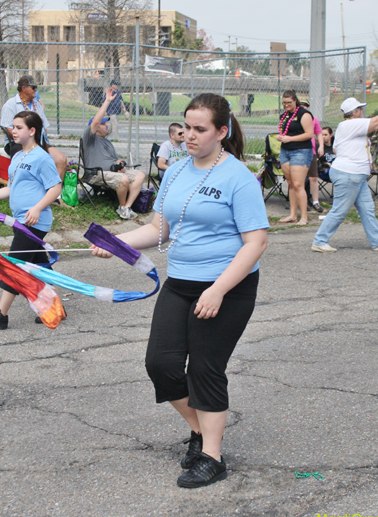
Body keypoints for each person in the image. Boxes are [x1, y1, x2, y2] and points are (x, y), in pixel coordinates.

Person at [91, 93, 269, 489]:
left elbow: (256, 242)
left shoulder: (238, 177)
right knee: (161, 364)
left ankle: (212, 458)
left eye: (199, 129)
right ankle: (201, 431)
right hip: (181, 282)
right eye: (186, 127)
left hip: (227, 287)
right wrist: (115, 243)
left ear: (221, 131)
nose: (189, 135)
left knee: (205, 368)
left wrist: (218, 290)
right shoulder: (175, 172)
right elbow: (159, 230)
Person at [0, 111, 63, 329]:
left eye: (19, 127)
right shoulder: (18, 156)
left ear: (32, 130)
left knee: (14, 264)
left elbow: (56, 188)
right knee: (39, 264)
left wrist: (37, 208)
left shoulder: (42, 157)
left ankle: (0, 314)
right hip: (19, 220)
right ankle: (56, 308)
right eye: (13, 127)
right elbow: (10, 189)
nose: (14, 131)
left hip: (34, 221)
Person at [311, 97, 378, 253]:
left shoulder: (347, 126)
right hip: (349, 174)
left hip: (355, 176)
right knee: (340, 211)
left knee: (367, 209)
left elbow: (335, 149)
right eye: (360, 109)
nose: (362, 111)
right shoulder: (351, 124)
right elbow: (376, 122)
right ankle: (319, 241)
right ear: (354, 112)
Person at [82, 87, 146, 220]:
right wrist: (107, 101)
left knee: (140, 175)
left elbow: (116, 159)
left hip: (113, 173)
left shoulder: (107, 142)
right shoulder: (89, 138)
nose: (107, 126)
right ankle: (122, 207)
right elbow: (96, 121)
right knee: (124, 179)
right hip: (96, 174)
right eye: (103, 124)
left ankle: (127, 207)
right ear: (96, 128)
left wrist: (120, 164)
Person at [0, 75, 68, 181]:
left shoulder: (37, 105)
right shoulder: (11, 105)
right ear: (24, 88)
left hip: (38, 142)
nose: (36, 89)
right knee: (33, 161)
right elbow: (8, 129)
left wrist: (40, 142)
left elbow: (44, 127)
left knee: (61, 159)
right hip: (17, 143)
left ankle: (55, 190)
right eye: (33, 87)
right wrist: (27, 140)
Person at [276, 90, 314, 225]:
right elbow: (285, 131)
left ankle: (304, 217)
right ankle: (292, 215)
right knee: (291, 183)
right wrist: (281, 137)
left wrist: (291, 139)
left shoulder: (304, 114)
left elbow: (309, 134)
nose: (286, 105)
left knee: (298, 184)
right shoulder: (284, 115)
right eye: (284, 103)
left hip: (300, 150)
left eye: (289, 103)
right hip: (285, 150)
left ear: (295, 101)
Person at [301, 99, 325, 213]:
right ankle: (303, 202)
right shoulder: (296, 119)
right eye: (301, 106)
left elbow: (318, 133)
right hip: (299, 151)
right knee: (300, 179)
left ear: (308, 107)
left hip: (312, 152)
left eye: (305, 106)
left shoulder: (313, 119)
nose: (303, 108)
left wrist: (321, 146)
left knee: (313, 177)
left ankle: (315, 201)